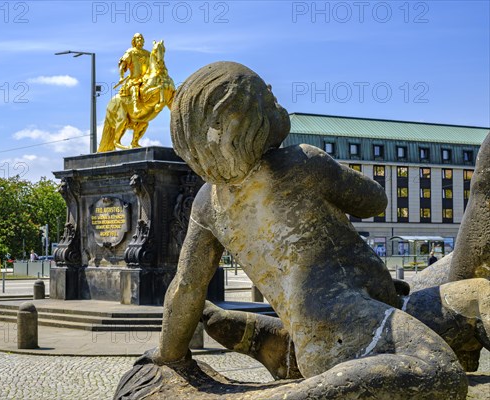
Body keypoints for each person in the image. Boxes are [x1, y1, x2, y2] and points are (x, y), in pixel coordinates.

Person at [134, 62, 469, 398]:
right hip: (355, 320)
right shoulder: (302, 163)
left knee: (473, 296)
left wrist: (169, 355)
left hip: (329, 332)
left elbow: (187, 287)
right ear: (247, 120)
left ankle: (272, 343)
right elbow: (374, 201)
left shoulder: (206, 203)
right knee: (440, 371)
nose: (277, 101)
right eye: (267, 96)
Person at [117, 33, 150, 114]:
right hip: (134, 79)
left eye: (141, 38)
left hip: (146, 79)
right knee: (135, 88)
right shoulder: (130, 52)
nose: (140, 39)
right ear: (134, 40)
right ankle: (135, 107)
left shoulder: (148, 53)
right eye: (138, 38)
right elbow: (122, 66)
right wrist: (121, 77)